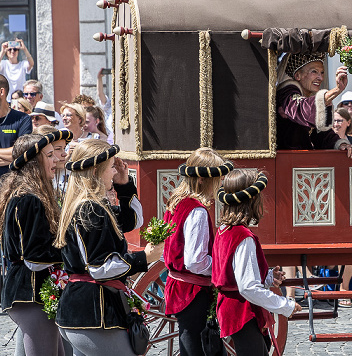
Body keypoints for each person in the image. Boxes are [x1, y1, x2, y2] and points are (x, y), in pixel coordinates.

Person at [54, 140, 162, 355]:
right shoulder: (91, 209)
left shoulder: (90, 205)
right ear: (96, 170)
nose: (115, 171)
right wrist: (144, 257)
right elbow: (100, 267)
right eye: (112, 166)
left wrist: (124, 185)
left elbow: (132, 221)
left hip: (80, 312)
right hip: (94, 313)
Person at [212, 169, 302, 355]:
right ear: (251, 200)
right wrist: (285, 305)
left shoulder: (224, 229)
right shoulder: (243, 236)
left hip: (233, 310)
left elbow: (234, 274)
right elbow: (248, 287)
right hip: (242, 313)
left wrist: (267, 276)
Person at [0, 131, 71, 356]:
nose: (56, 159)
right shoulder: (28, 199)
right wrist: (73, 251)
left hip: (33, 292)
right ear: (34, 162)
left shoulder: (32, 195)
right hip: (29, 292)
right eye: (49, 155)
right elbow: (34, 256)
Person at [163, 148, 233, 356]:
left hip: (179, 285)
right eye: (217, 178)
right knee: (195, 345)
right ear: (202, 179)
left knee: (190, 340)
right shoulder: (197, 211)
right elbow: (195, 261)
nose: (219, 183)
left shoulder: (176, 202)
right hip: (193, 291)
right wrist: (220, 268)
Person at [275, 52, 352, 158]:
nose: (320, 78)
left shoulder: (307, 96)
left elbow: (322, 134)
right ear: (298, 76)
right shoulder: (287, 92)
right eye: (314, 72)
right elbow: (301, 110)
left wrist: (341, 145)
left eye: (322, 72)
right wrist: (336, 91)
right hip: (284, 163)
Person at [0, 74, 32, 177]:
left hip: (13, 184)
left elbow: (22, 153)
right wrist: (10, 156)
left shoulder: (23, 119)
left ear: (1, 92)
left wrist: (17, 155)